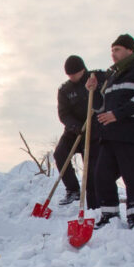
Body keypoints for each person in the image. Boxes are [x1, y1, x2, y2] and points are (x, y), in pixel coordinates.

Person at [86, 34, 134, 229]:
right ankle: (109, 216)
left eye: (117, 50)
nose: (113, 54)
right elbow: (101, 109)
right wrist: (92, 93)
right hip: (109, 136)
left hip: (132, 134)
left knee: (133, 176)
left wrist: (117, 114)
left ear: (130, 50)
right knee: (101, 174)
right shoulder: (112, 77)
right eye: (112, 50)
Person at [55, 55, 97, 207]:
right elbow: (63, 113)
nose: (71, 77)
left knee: (92, 165)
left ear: (82, 70)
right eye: (69, 75)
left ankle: (94, 199)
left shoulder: (94, 80)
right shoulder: (65, 90)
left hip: (93, 131)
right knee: (60, 154)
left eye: (74, 74)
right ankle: (72, 190)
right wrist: (74, 126)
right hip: (73, 131)